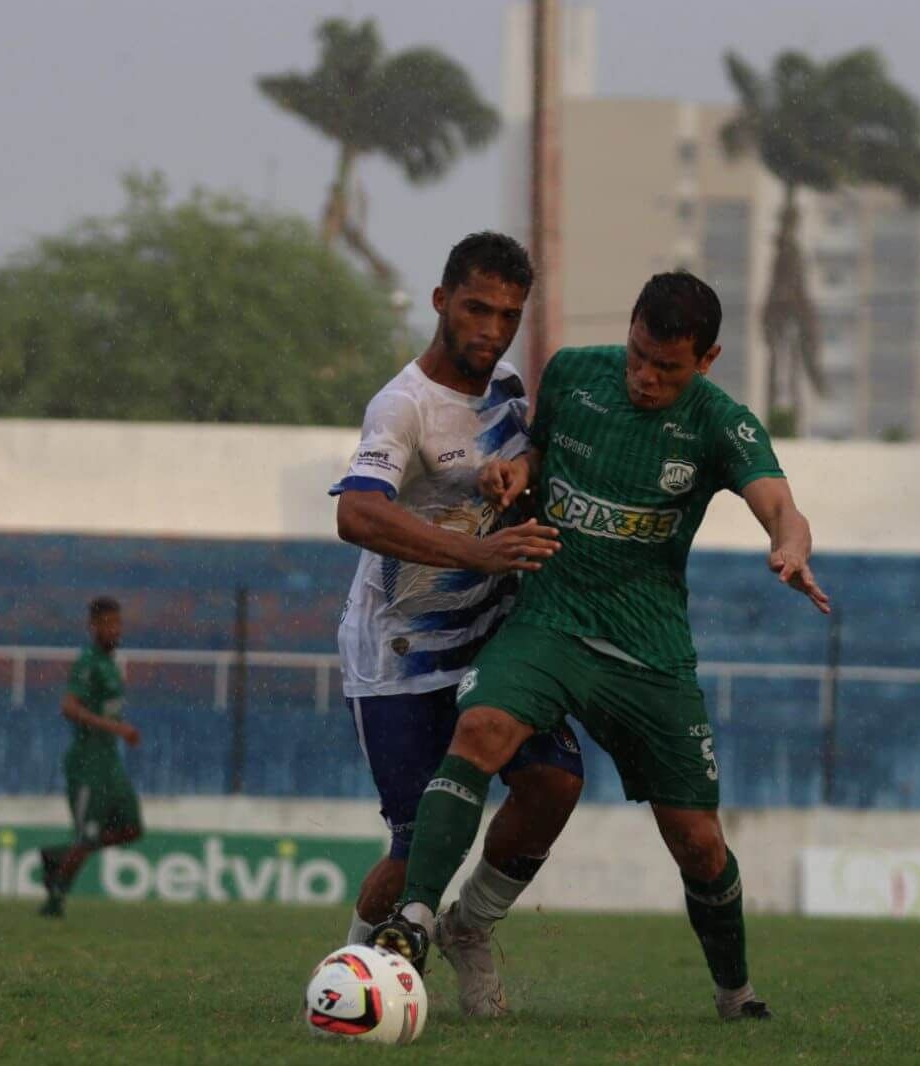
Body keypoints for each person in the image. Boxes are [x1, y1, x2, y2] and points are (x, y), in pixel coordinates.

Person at [369, 271, 830, 1022]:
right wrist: (519, 471)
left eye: (667, 367)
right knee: (482, 728)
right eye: (638, 356)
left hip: (647, 647)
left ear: (705, 360)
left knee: (698, 845)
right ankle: (416, 922)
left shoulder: (721, 423)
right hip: (550, 620)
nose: (645, 378)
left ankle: (734, 991)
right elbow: (541, 455)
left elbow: (779, 502)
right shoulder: (575, 374)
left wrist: (789, 546)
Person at [331, 231, 584, 1016]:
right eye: (476, 308)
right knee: (414, 854)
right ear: (441, 301)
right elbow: (356, 513)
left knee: (552, 783)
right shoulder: (401, 405)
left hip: (486, 641)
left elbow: (525, 459)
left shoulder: (507, 385)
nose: (490, 329)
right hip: (399, 654)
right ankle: (349, 975)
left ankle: (467, 928)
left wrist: (519, 471)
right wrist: (477, 555)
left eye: (508, 315)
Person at [38, 596, 144, 917]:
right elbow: (68, 707)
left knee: (132, 829)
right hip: (87, 765)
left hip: (110, 763)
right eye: (108, 624)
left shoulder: (111, 664)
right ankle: (55, 900)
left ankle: (57, 856)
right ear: (93, 626)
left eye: (118, 623)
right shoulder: (88, 662)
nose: (115, 630)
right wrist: (115, 727)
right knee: (87, 837)